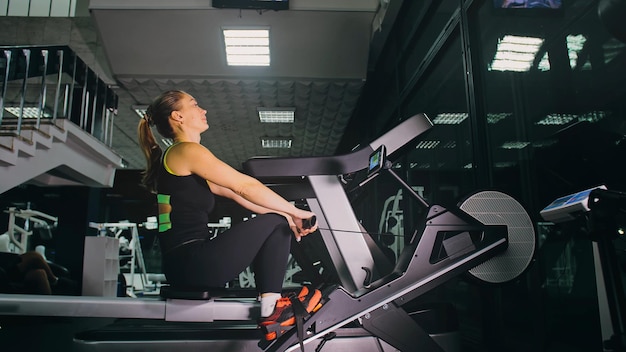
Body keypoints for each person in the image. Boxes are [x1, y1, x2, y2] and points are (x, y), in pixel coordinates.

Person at [137, 90, 321, 336]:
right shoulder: (185, 151)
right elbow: (245, 186)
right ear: (177, 116)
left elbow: (239, 196)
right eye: (195, 104)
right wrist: (293, 211)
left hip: (185, 265)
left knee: (280, 221)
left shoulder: (180, 157)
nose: (203, 110)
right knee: (277, 222)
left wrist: (290, 216)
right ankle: (272, 311)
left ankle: (271, 307)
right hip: (192, 263)